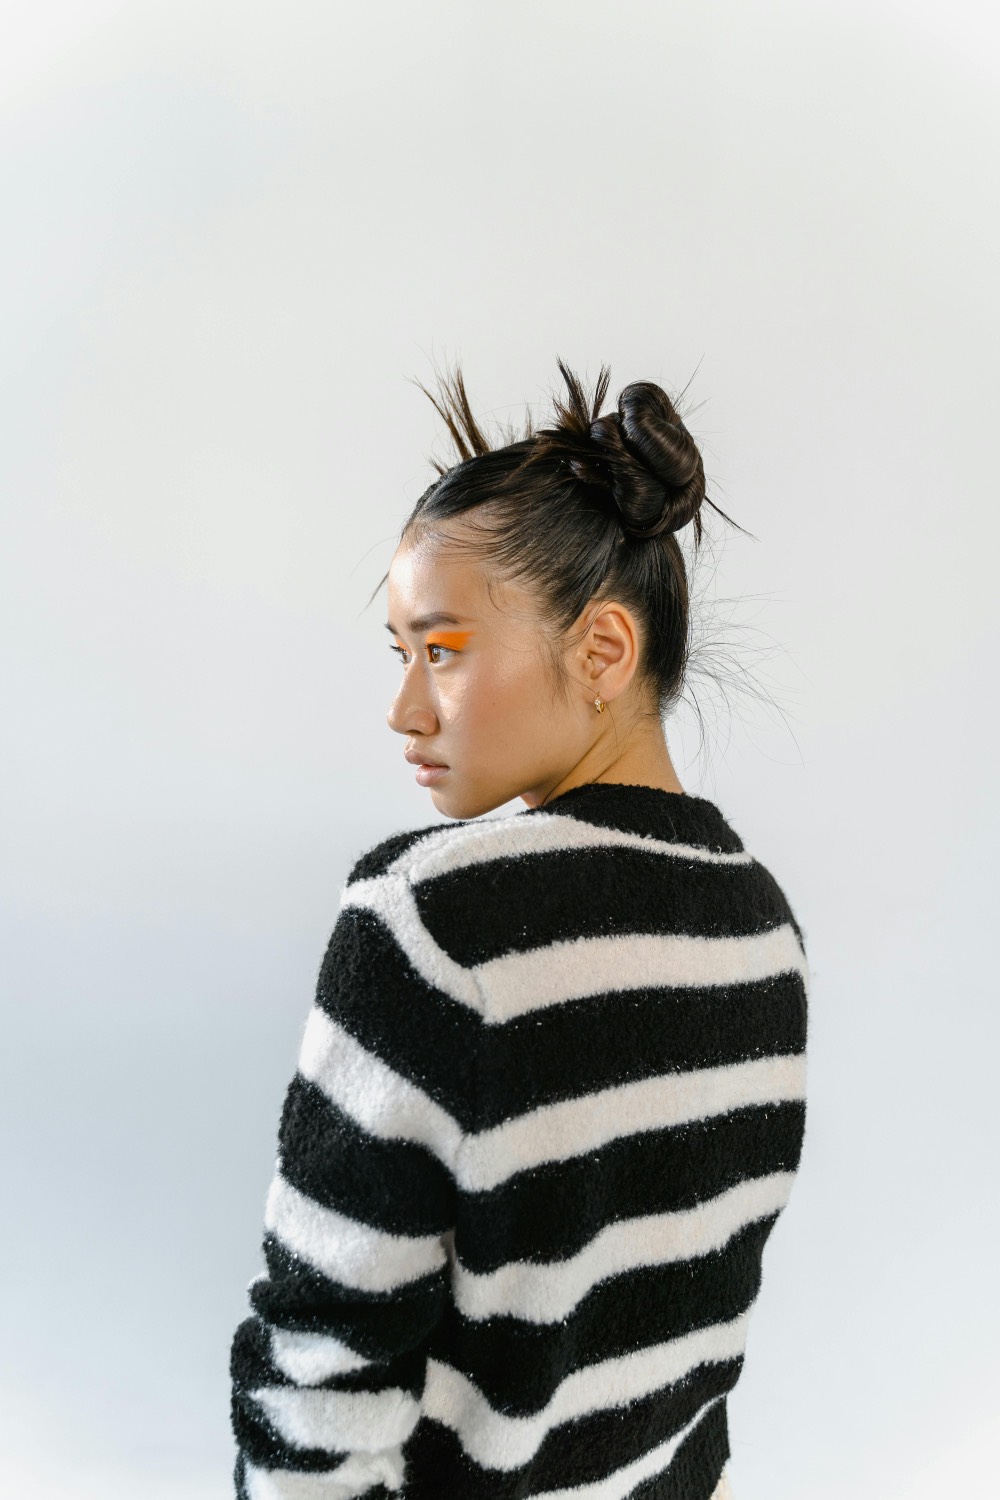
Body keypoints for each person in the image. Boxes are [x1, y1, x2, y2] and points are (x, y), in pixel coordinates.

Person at [229, 362, 809, 1499]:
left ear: (601, 651)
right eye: (401, 655)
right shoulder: (762, 932)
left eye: (441, 651)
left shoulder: (430, 924)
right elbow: (689, 1364)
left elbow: (322, 1358)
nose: (404, 708)